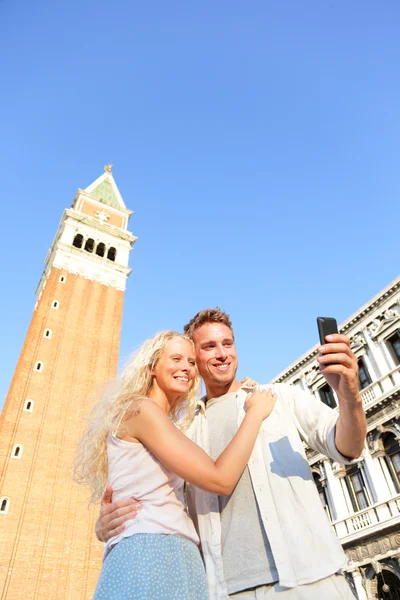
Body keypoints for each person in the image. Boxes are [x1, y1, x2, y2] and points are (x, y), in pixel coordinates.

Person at [97, 309, 366, 599]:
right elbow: (158, 498)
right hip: (223, 591)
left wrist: (349, 393)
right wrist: (108, 525)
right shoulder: (183, 430)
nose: (222, 353)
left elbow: (349, 447)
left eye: (228, 343)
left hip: (310, 581)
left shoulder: (280, 397)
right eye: (209, 347)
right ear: (195, 359)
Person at [75, 329, 276, 600]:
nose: (186, 368)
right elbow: (220, 479)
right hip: (153, 552)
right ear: (152, 367)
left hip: (170, 553)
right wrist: (254, 413)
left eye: (191, 362)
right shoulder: (142, 410)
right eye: (176, 359)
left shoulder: (159, 420)